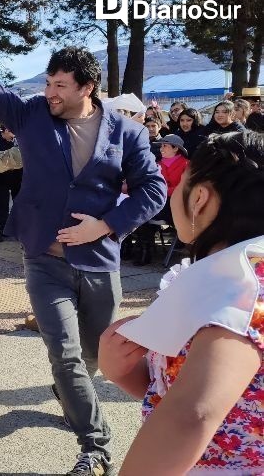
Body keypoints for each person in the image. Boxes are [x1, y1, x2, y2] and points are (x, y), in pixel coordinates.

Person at [0, 9, 166, 476]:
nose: (49, 93)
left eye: (60, 85)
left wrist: (105, 225)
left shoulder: (126, 133)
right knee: (64, 353)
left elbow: (153, 190)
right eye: (48, 83)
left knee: (92, 358)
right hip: (44, 260)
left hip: (99, 262)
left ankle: (70, 391)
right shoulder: (31, 116)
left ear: (87, 88)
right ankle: (96, 446)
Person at [100, 131, 264, 474]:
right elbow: (196, 395)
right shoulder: (225, 273)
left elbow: (191, 415)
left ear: (199, 198)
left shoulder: (240, 285)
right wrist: (122, 370)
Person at [131, 134, 191, 266]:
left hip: (175, 206)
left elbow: (184, 188)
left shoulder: (186, 164)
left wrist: (163, 190)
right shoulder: (156, 164)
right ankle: (143, 249)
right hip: (158, 202)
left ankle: (145, 250)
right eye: (161, 146)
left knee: (146, 210)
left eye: (165, 146)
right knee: (142, 209)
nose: (161, 149)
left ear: (175, 148)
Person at [0, 125, 21, 229]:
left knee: (18, 201)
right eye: (12, 135)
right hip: (1, 177)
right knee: (1, 202)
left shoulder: (17, 139)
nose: (14, 138)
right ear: (6, 130)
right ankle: (1, 227)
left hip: (17, 176)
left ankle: (17, 226)